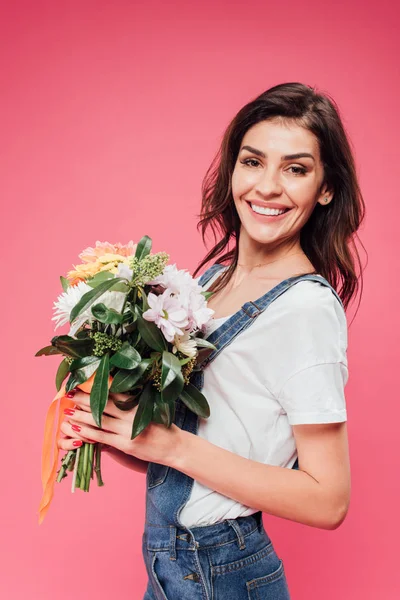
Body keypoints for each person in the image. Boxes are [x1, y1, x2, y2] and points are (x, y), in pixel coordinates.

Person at [58, 81, 365, 599]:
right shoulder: (207, 284)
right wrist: (109, 430)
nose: (267, 187)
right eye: (252, 161)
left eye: (295, 169)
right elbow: (185, 450)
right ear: (232, 170)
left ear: (326, 187)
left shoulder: (306, 311)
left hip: (223, 571)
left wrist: (172, 445)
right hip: (171, 563)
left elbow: (328, 500)